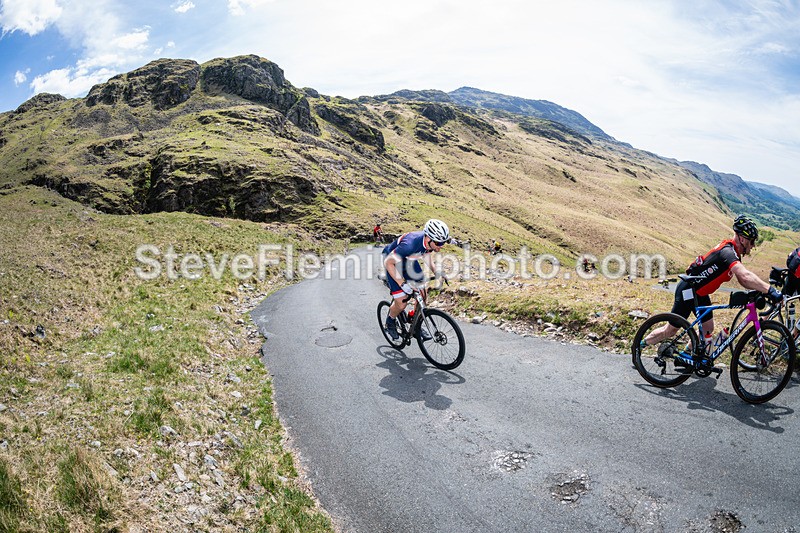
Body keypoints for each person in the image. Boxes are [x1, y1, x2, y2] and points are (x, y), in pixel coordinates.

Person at [642, 215, 782, 365]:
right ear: (742, 239)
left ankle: (686, 357)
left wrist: (760, 289)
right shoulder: (727, 252)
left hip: (700, 292)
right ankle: (639, 345)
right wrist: (770, 289)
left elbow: (742, 280)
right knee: (670, 330)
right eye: (752, 241)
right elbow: (745, 276)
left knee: (708, 328)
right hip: (688, 290)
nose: (753, 246)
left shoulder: (734, 253)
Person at [382, 219, 450, 340]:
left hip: (409, 261)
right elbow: (389, 263)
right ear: (429, 238)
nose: (441, 246)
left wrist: (437, 271)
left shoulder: (428, 243)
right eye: (439, 243)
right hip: (391, 262)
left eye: (444, 242)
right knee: (402, 302)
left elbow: (425, 253)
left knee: (422, 295)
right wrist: (402, 284)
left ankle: (413, 320)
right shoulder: (410, 245)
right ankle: (390, 321)